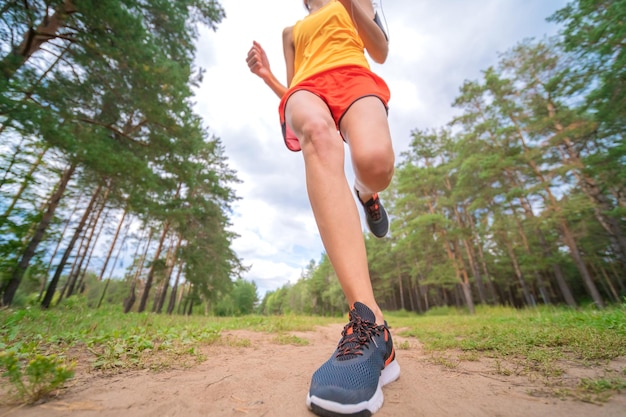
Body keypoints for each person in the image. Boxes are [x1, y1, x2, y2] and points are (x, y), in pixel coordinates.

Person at [246, 1, 400, 415]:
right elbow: (294, 88)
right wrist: (267, 78)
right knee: (317, 131)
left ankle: (366, 192)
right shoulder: (291, 32)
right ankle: (369, 325)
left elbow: (381, 50)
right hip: (307, 92)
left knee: (374, 163)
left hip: (354, 76)